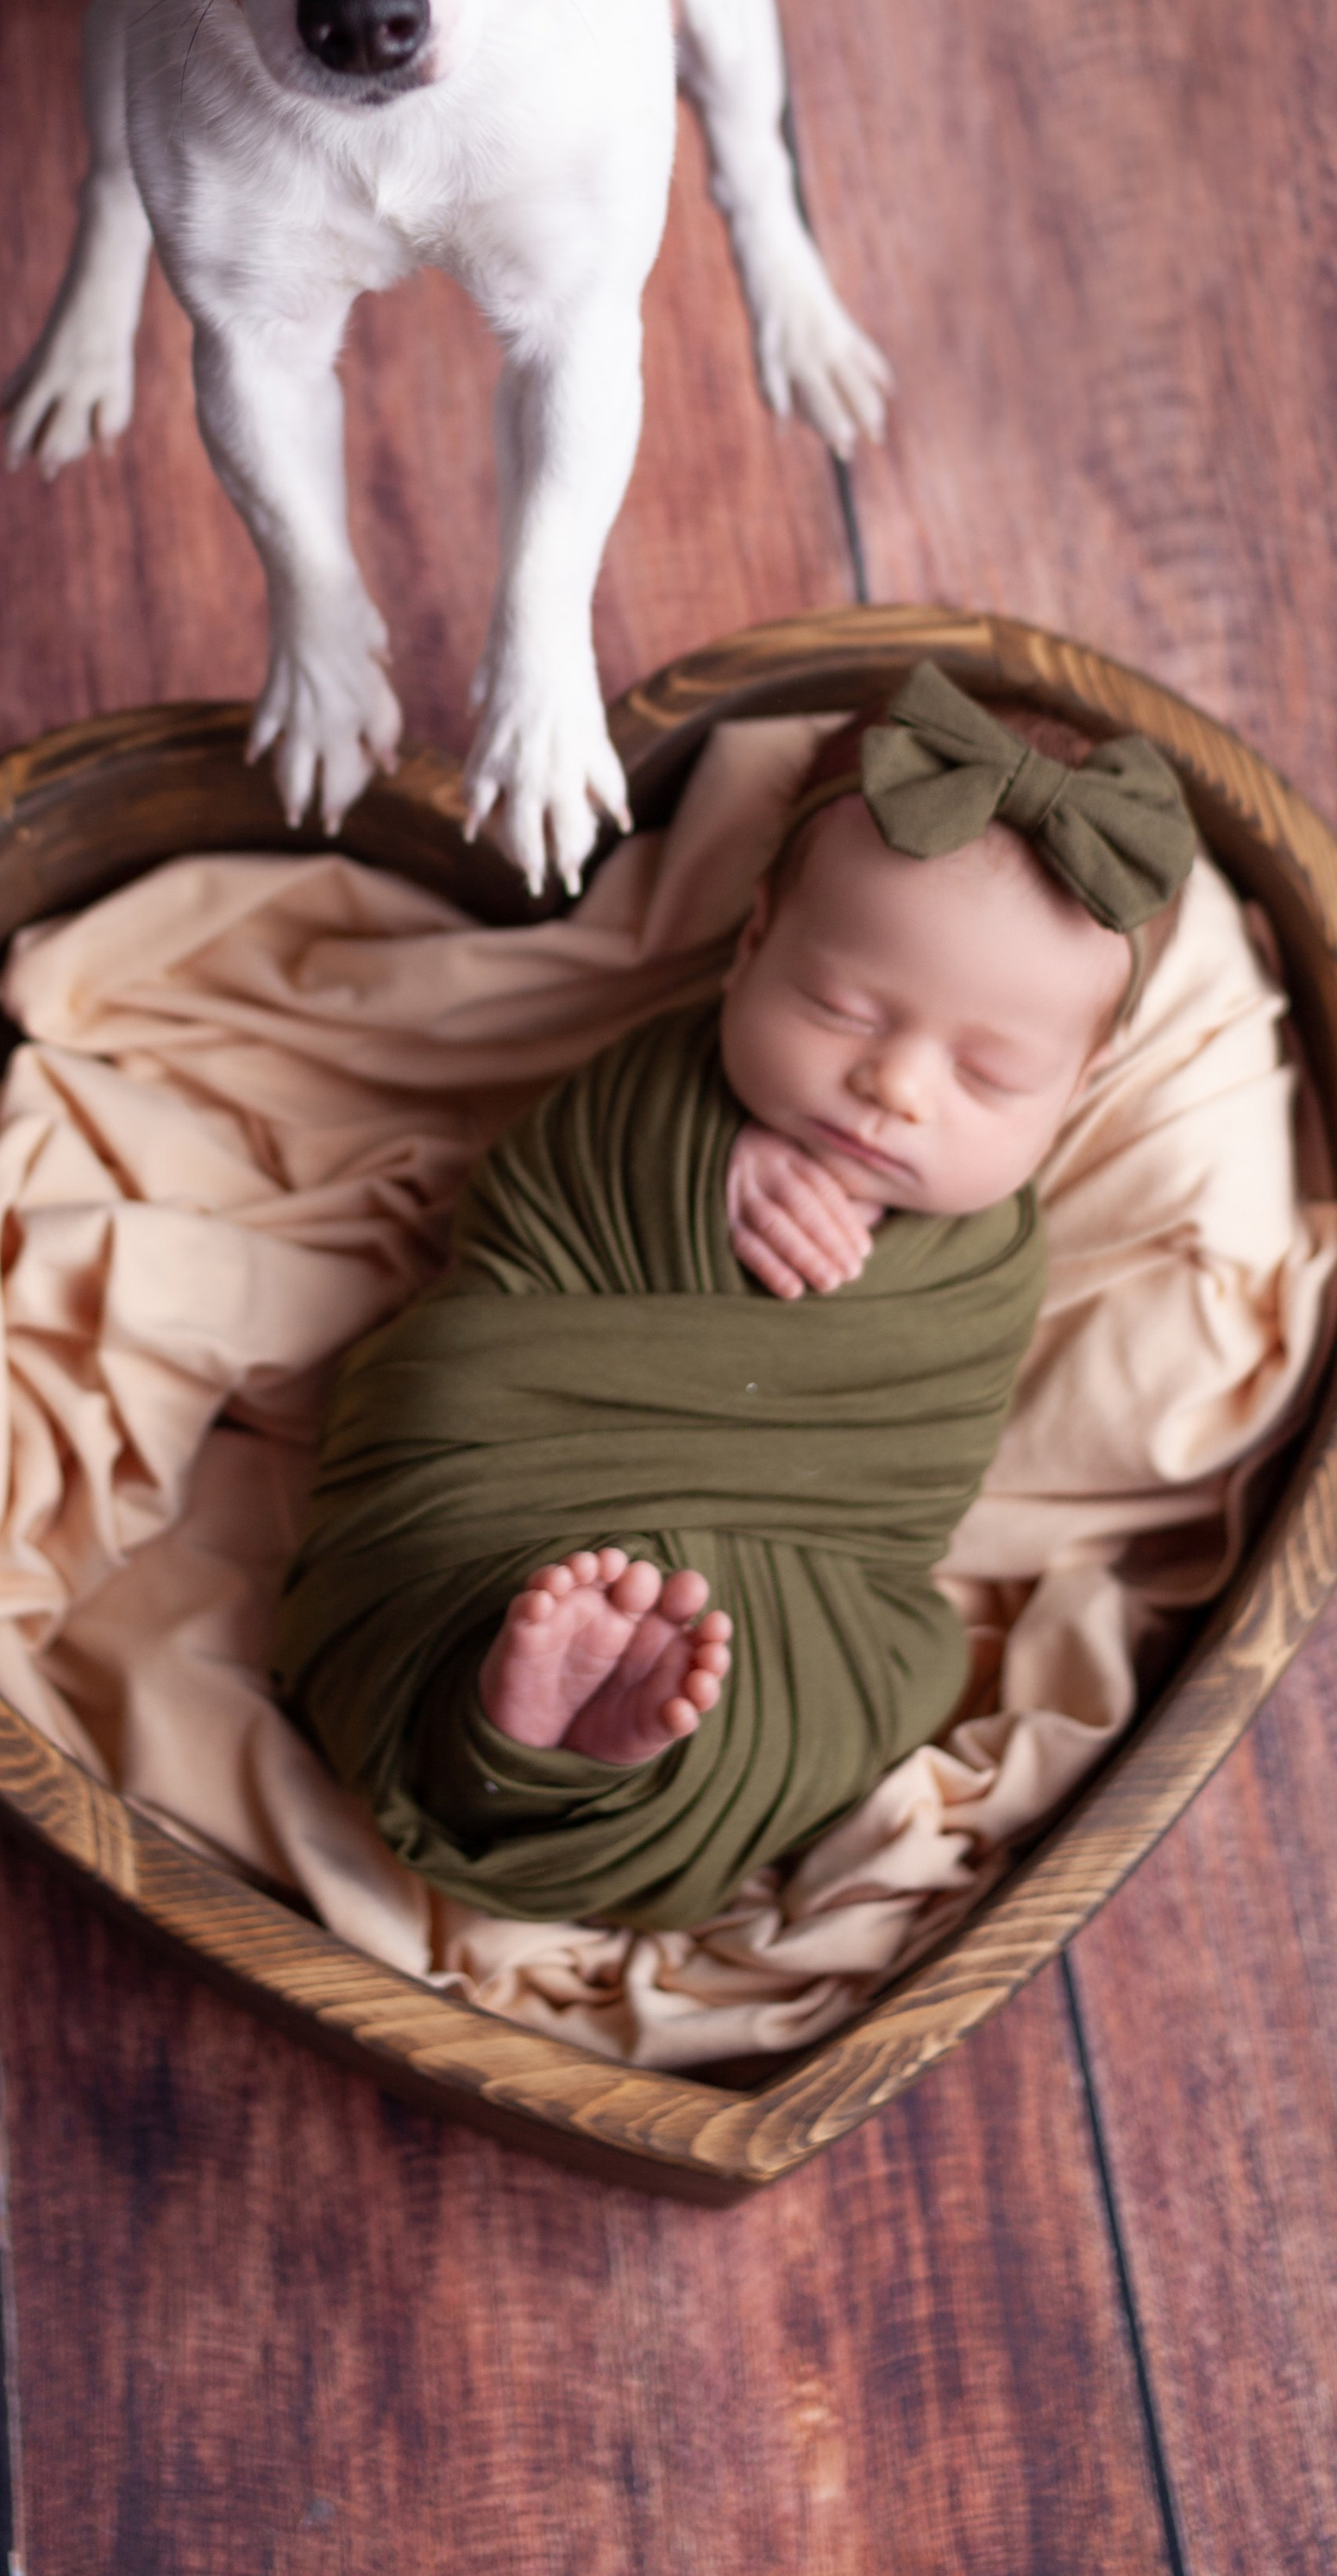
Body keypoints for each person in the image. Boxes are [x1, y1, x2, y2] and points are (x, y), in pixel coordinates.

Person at [270, 663, 1196, 1931]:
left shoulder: (986, 1267)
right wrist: (691, 1156)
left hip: (794, 1589)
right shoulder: (656, 1090)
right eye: (841, 1006)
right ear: (752, 939)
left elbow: (901, 1494)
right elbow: (522, 1225)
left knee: (855, 1678)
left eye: (991, 1076)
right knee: (484, 1499)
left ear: (1080, 1089)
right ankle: (514, 1705)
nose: (898, 1088)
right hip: (513, 1473)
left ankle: (584, 1739)